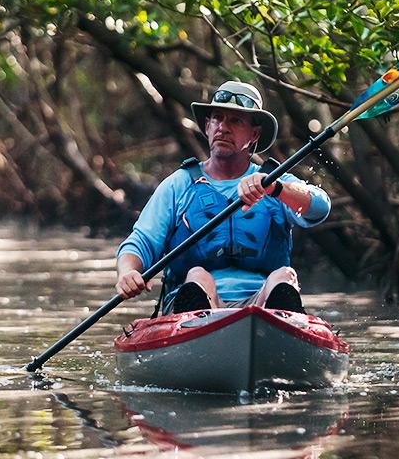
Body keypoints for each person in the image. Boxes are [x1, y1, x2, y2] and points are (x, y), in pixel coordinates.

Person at [115, 80, 330, 315]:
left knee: (284, 276)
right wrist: (128, 272)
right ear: (207, 126)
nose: (223, 128)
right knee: (198, 276)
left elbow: (320, 208)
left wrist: (276, 189)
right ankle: (199, 318)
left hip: (262, 305)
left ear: (254, 134)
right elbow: (140, 243)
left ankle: (277, 321)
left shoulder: (274, 180)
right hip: (194, 305)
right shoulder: (179, 184)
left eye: (235, 120)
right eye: (217, 118)